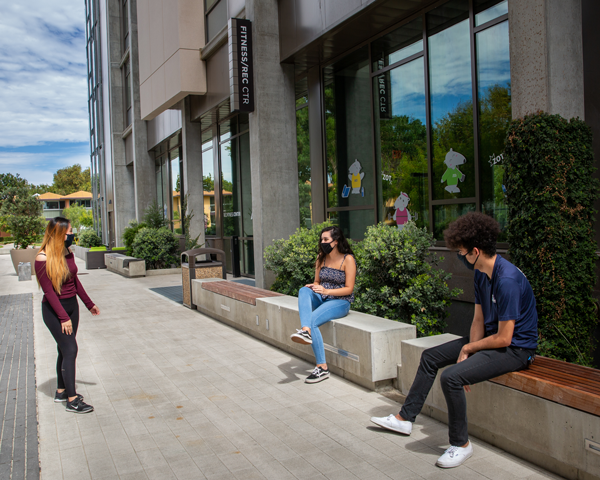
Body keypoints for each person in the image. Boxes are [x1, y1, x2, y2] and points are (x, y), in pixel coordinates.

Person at [371, 212, 538, 468]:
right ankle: (405, 418)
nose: (460, 257)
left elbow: (505, 338)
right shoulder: (482, 273)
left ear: (475, 251)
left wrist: (470, 350)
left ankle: (461, 444)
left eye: (461, 252)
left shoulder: (507, 280)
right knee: (430, 357)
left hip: (517, 349)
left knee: (451, 377)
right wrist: (470, 353)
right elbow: (478, 320)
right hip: (492, 339)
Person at [35, 217, 100, 414]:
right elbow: (48, 292)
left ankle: (62, 391)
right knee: (71, 349)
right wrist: (63, 318)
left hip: (72, 306)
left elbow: (75, 281)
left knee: (64, 349)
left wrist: (89, 304)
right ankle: (72, 400)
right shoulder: (42, 258)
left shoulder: (67, 251)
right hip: (55, 310)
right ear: (59, 234)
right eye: (70, 231)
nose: (72, 234)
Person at [290, 226, 357, 383]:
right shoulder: (321, 257)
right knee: (304, 290)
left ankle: (322, 368)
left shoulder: (348, 259)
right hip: (322, 296)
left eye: (326, 239)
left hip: (340, 301)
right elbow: (317, 281)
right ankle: (305, 331)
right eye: (322, 239)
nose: (323, 242)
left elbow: (349, 288)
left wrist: (326, 291)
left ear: (336, 241)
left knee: (313, 320)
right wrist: (314, 287)